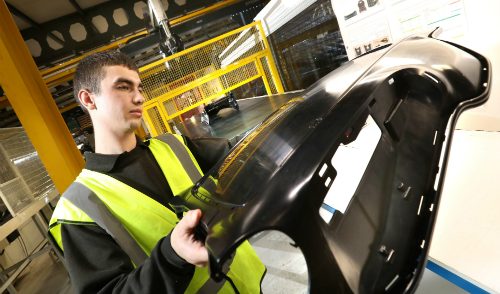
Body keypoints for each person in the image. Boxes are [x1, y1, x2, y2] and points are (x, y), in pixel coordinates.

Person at [48, 51, 265, 293]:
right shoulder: (78, 210)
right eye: (123, 87)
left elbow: (240, 155)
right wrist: (173, 256)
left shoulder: (173, 145)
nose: (139, 97)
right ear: (89, 99)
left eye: (139, 88)